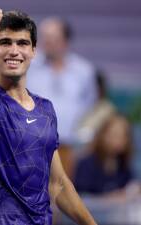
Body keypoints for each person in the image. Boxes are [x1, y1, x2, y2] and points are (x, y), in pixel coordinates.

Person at [0, 7, 97, 225]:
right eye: (5, 42)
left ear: (33, 51)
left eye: (22, 43)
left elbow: (57, 184)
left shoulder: (45, 109)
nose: (14, 50)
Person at [27, 18, 97, 177]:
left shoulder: (84, 71)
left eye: (54, 38)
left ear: (65, 41)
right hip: (34, 146)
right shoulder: (29, 67)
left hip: (71, 147)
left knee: (67, 194)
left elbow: (90, 106)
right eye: (45, 38)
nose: (48, 43)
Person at [74, 114, 141, 202]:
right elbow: (80, 198)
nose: (118, 140)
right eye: (114, 134)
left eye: (123, 136)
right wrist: (109, 199)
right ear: (102, 135)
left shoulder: (124, 165)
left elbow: (132, 186)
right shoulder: (86, 164)